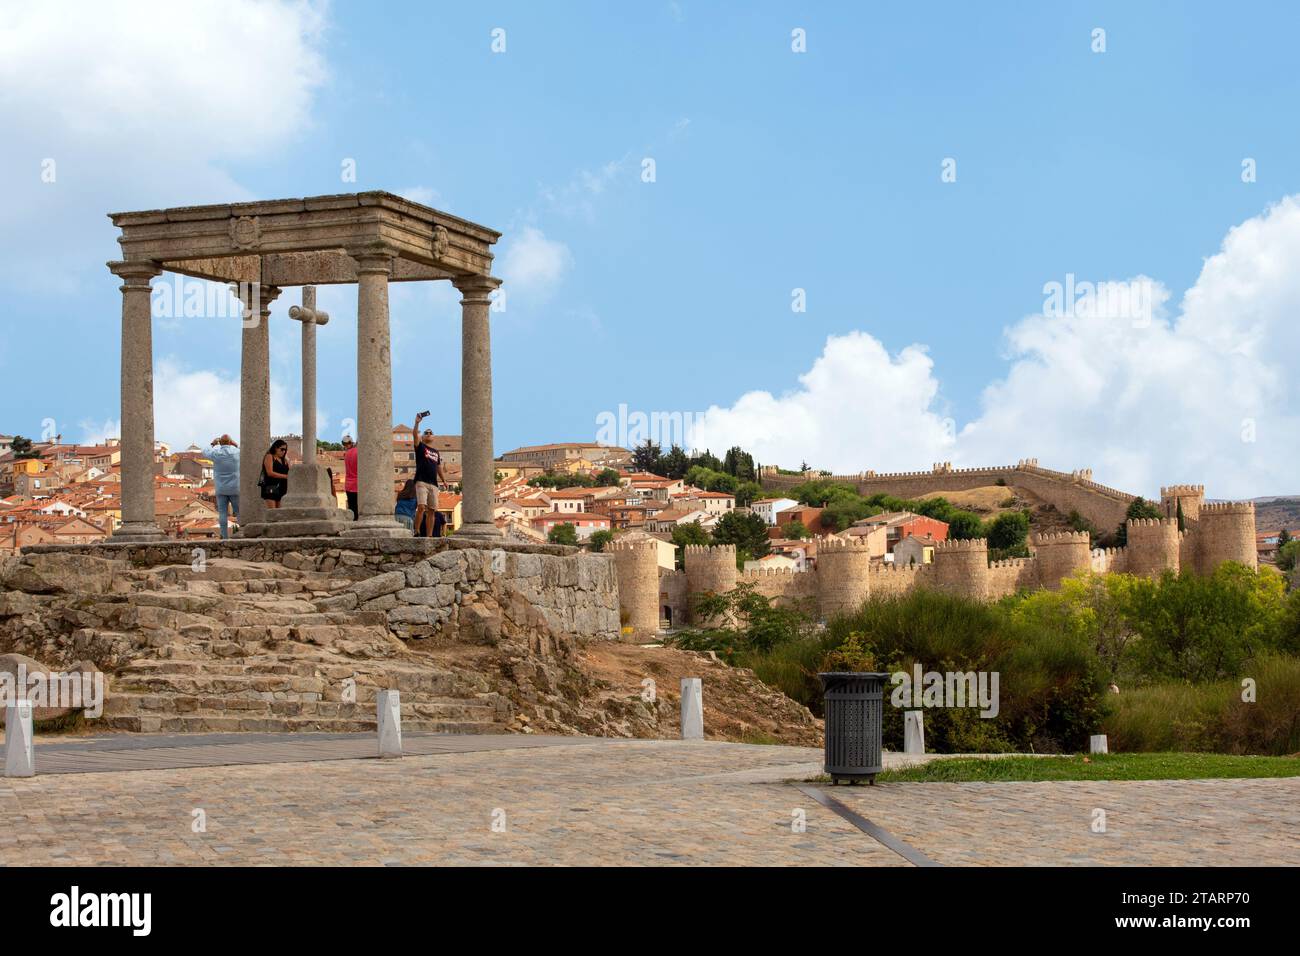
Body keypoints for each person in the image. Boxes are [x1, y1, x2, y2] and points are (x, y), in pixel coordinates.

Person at [411, 412, 447, 537]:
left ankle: (430, 535)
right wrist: (417, 423)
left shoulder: (436, 452)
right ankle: (416, 531)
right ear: (423, 437)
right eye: (426, 432)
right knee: (421, 507)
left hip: (434, 483)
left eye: (431, 433)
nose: (428, 434)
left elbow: (438, 467)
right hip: (421, 481)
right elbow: (414, 434)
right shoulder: (420, 447)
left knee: (432, 510)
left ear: (434, 437)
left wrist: (444, 480)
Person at [206, 434, 240, 539]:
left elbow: (205, 451)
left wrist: (213, 443)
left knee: (222, 513)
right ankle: (243, 531)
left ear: (220, 443)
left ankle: (224, 536)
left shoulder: (216, 453)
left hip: (221, 488)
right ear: (230, 442)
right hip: (235, 487)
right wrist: (235, 444)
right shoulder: (236, 452)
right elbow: (244, 450)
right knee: (239, 512)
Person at [260, 440, 291, 508]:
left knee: (279, 513)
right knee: (272, 512)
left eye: (285, 450)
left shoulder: (284, 460)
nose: (284, 451)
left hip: (283, 487)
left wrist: (288, 460)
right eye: (282, 449)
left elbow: (290, 472)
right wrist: (285, 476)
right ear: (275, 448)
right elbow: (269, 473)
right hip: (271, 486)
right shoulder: (269, 456)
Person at [342, 435, 358, 519]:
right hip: (357, 485)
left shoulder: (346, 454)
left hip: (348, 485)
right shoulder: (358, 452)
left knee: (352, 509)